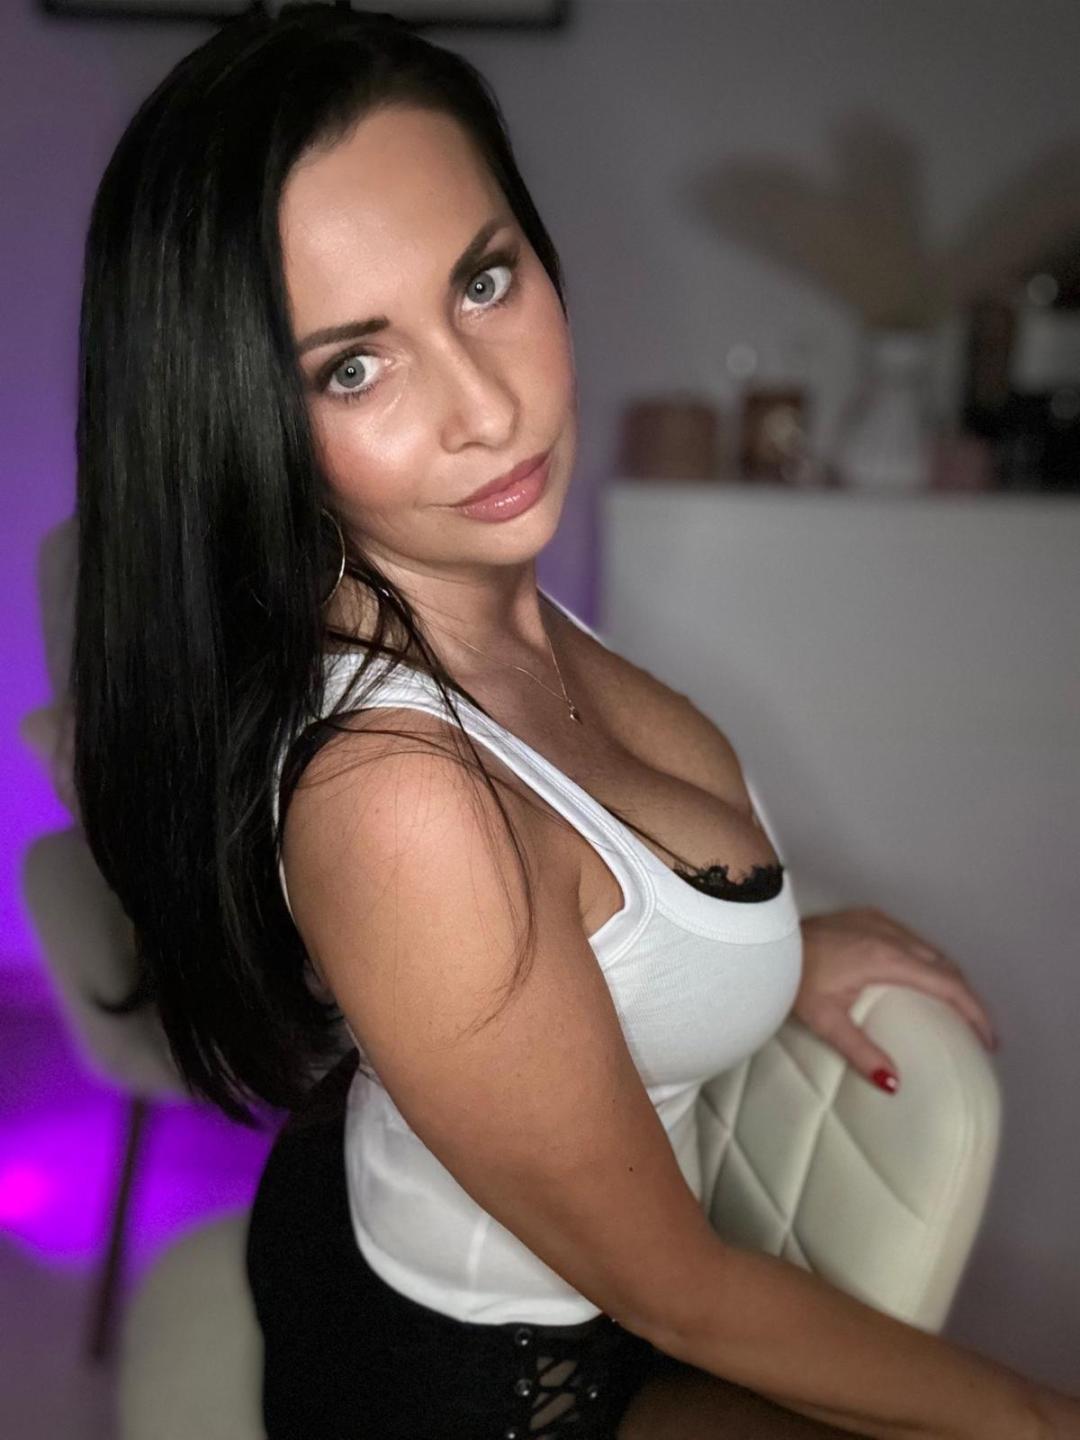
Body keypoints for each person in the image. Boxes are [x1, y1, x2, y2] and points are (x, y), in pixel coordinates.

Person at [69, 6, 1079, 1438]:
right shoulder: (397, 796)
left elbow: (579, 910)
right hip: (491, 1386)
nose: (488, 409)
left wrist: (768, 946)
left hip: (391, 1218)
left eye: (483, 281)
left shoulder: (482, 599)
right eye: (353, 365)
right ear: (241, 422)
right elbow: (682, 1294)